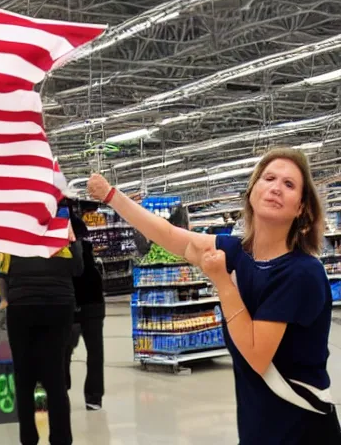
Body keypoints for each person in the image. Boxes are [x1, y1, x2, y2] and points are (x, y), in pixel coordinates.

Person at [87, 147, 341, 445]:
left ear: (301, 208)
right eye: (269, 178)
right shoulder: (236, 251)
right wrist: (111, 196)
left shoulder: (302, 273)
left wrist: (221, 280)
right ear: (252, 191)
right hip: (258, 428)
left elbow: (257, 354)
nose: (276, 188)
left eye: (289, 184)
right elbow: (168, 235)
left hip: (302, 431)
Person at [0, 225, 83, 445]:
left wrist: (6, 300)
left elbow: (2, 273)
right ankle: (61, 439)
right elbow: (78, 268)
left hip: (22, 305)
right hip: (59, 304)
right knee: (55, 378)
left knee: (24, 379)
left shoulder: (15, 229)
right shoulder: (61, 229)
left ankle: (29, 439)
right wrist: (74, 241)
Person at [65, 209, 105, 411]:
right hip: (94, 303)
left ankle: (62, 389)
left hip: (72, 305)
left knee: (63, 351)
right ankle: (94, 397)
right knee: (95, 352)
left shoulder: (64, 252)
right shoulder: (88, 251)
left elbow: (75, 271)